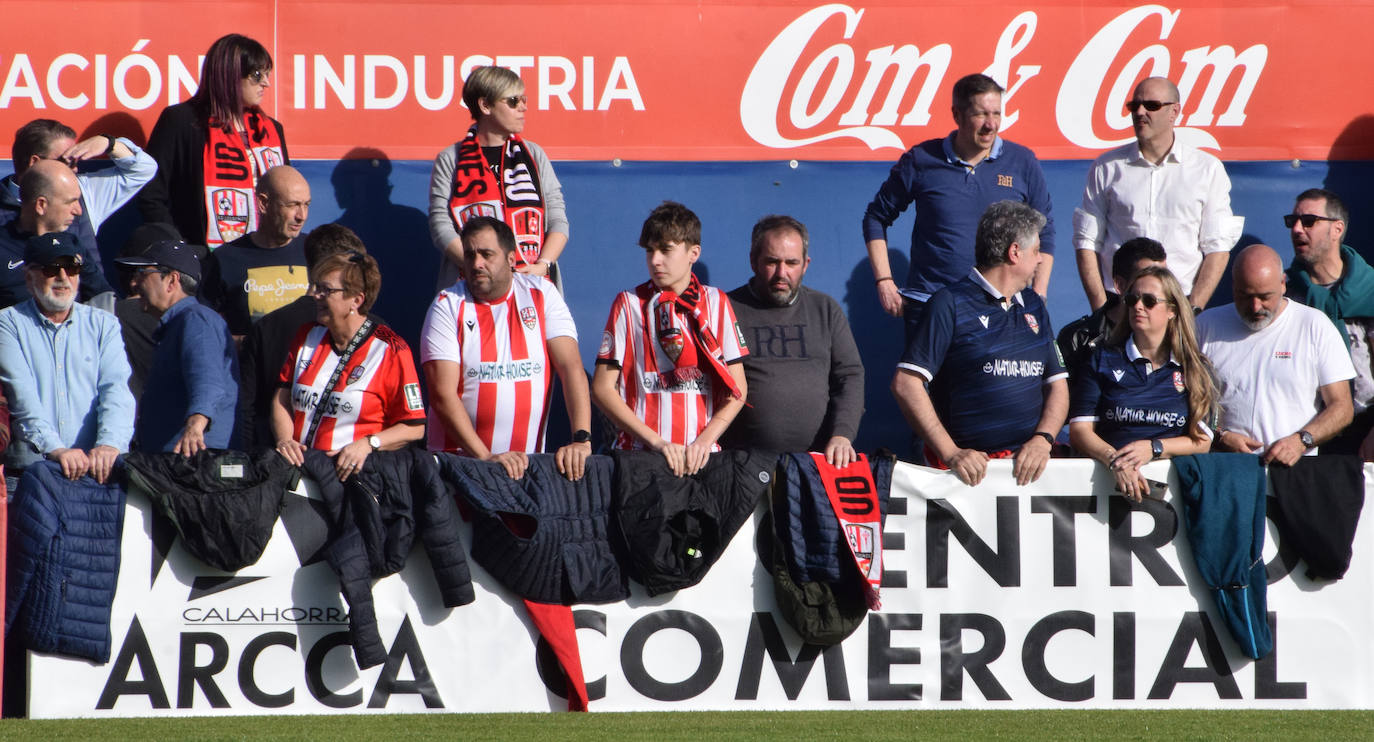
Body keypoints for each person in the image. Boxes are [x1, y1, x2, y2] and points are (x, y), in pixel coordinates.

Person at [862, 73, 1055, 341]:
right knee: (918, 384)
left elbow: (1045, 232)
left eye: (997, 114)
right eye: (981, 114)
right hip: (931, 305)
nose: (991, 124)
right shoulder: (921, 160)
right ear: (957, 114)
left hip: (1001, 306)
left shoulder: (1022, 162)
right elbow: (875, 217)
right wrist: (884, 281)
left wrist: (1039, 292)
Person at [891, 200, 1067, 486]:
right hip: (966, 477)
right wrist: (952, 453)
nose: (1040, 260)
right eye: (1036, 251)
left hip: (1030, 471)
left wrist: (1043, 439)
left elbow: (1057, 384)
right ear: (1014, 252)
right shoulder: (950, 303)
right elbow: (906, 383)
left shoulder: (1034, 305)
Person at [421, 217, 592, 480]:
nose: (476, 263)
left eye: (487, 254)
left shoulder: (541, 294)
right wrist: (485, 457)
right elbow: (442, 395)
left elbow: (571, 369)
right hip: (457, 470)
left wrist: (581, 439)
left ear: (511, 259)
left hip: (524, 471)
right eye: (470, 255)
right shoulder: (447, 305)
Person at [592, 201, 748, 476]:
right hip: (639, 459)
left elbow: (738, 390)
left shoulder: (717, 303)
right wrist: (656, 442)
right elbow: (602, 389)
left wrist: (704, 441)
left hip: (701, 460)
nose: (655, 260)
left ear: (693, 253)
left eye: (666, 250)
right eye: (650, 251)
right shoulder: (628, 304)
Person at [1074, 76, 1243, 313]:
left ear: (1174, 111)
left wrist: (1193, 309)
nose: (1140, 112)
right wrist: (1102, 309)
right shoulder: (1107, 167)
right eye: (1134, 106)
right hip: (1122, 304)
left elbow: (1217, 247)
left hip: (1178, 304)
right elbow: (1086, 241)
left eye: (1151, 105)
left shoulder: (1207, 169)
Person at [720, 215, 864, 464]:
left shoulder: (825, 309)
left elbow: (850, 376)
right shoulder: (725, 309)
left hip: (818, 465)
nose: (781, 273)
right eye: (772, 262)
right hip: (743, 467)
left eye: (792, 263)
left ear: (806, 264)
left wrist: (843, 435)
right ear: (753, 261)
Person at [271, 251, 425, 481]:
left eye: (326, 290)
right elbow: (281, 398)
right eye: (315, 287)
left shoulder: (392, 349)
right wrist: (285, 440)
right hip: (301, 476)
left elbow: (414, 426)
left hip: (355, 481)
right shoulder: (307, 335)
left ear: (356, 300)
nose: (316, 295)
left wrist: (369, 443)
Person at [1068, 267, 1218, 501]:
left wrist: (1153, 448)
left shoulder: (1195, 368)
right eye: (1132, 299)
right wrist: (1116, 461)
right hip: (1105, 490)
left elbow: (1201, 442)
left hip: (1174, 497)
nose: (1138, 306)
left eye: (1149, 301)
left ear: (1172, 310)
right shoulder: (1102, 359)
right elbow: (1079, 431)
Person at [1197, 244, 1354, 464]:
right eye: (1245, 295)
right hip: (1224, 471)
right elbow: (1181, 401)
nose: (1255, 306)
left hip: (1293, 476)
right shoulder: (1205, 326)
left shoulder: (1315, 326)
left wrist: (1301, 441)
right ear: (1233, 286)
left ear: (1282, 284)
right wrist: (1219, 435)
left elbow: (1342, 407)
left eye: (1264, 296)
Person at [0, 232, 134, 486]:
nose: (63, 277)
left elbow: (116, 390)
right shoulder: (7, 323)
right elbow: (22, 396)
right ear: (29, 277)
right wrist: (56, 449)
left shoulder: (104, 323)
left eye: (71, 268)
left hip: (96, 472)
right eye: (52, 268)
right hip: (33, 472)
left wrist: (109, 444)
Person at [138, 33, 287, 249]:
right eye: (257, 75)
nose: (266, 83)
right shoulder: (181, 121)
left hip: (265, 251)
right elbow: (151, 193)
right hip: (205, 257)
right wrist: (180, 248)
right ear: (230, 76)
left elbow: (287, 191)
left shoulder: (272, 129)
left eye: (267, 74)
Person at [428, 65, 568, 290]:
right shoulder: (450, 158)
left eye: (524, 99)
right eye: (513, 101)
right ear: (485, 105)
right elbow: (440, 225)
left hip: (533, 283)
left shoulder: (534, 154)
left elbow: (558, 221)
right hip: (471, 285)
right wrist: (482, 267)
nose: (523, 107)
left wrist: (543, 265)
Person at [238, 223, 371, 449]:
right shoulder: (378, 335)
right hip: (334, 467)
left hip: (280, 466)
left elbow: (246, 413)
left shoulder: (266, 327)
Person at [3, 118, 157, 306]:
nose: (75, 169)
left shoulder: (83, 189)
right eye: (68, 161)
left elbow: (143, 170)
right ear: (35, 163)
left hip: (79, 324)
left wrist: (110, 143)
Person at [115, 240, 238, 454]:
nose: (134, 283)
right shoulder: (177, 324)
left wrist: (196, 424)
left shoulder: (195, 319)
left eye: (143, 273)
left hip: (196, 466)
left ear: (172, 280)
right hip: (177, 465)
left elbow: (208, 379)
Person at [1283, 189, 1374, 457]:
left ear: (1337, 229)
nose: (1297, 229)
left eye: (1309, 221)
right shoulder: (1285, 295)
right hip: (1305, 432)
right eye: (1293, 221)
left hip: (1365, 427)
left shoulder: (1369, 289)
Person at [203, 165, 311, 338]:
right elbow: (204, 328)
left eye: (306, 204)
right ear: (263, 203)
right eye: (293, 205)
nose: (302, 215)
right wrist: (243, 345)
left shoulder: (315, 251)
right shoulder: (225, 259)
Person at [0, 161, 115, 309]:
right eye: (70, 202)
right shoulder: (3, 246)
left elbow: (101, 296)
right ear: (41, 205)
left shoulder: (72, 243)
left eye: (71, 268)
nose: (79, 211)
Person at [1057, 237, 1168, 372]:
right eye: (1145, 278)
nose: (1157, 286)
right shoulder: (1078, 340)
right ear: (1120, 285)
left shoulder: (1177, 337)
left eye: (1163, 277)